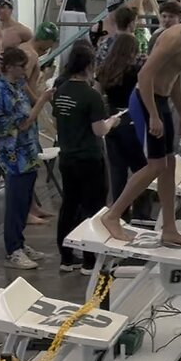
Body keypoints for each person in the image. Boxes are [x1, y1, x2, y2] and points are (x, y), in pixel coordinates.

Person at [99, 11, 181, 245]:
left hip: (161, 101)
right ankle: (113, 214)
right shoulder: (174, 39)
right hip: (146, 101)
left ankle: (169, 228)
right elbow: (145, 75)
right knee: (156, 165)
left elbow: (175, 77)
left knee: (169, 164)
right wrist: (154, 116)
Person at [52, 45, 120, 273]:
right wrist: (112, 121)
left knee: (69, 206)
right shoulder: (92, 96)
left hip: (67, 156)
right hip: (89, 158)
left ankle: (66, 257)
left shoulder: (60, 90)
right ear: (90, 66)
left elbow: (58, 120)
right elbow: (99, 130)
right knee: (93, 208)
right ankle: (90, 260)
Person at [0, 48, 53, 269]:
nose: (25, 70)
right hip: (15, 152)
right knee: (16, 203)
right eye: (21, 66)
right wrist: (44, 100)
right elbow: (23, 122)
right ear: (9, 67)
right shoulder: (1, 90)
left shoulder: (16, 85)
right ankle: (12, 249)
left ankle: (20, 242)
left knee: (26, 199)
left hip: (27, 149)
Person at [97, 33, 147, 221]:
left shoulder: (105, 68)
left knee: (117, 172)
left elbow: (97, 92)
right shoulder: (135, 70)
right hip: (131, 118)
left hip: (112, 120)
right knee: (142, 169)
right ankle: (142, 212)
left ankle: (120, 212)